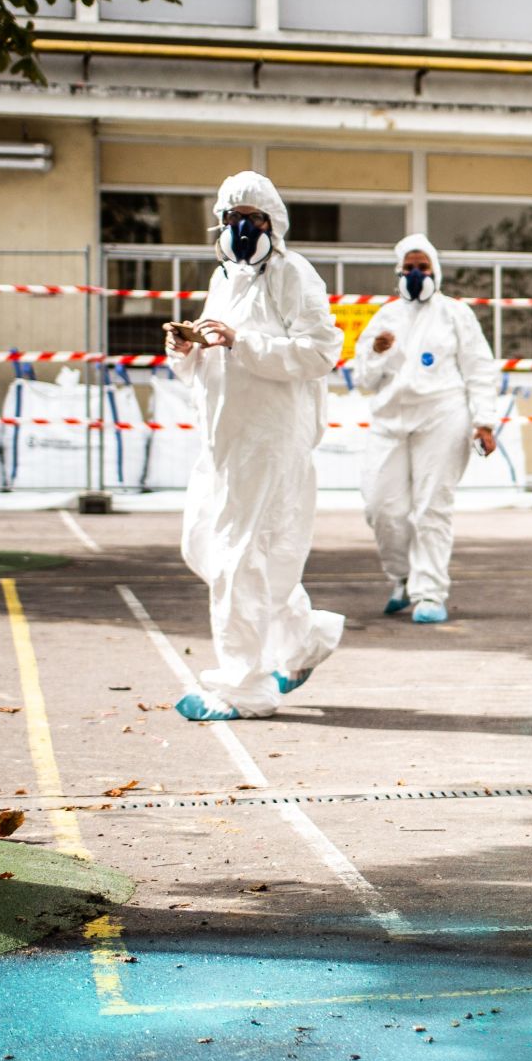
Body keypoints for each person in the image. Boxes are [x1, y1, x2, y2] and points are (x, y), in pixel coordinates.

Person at [167, 171, 346, 721]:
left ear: (274, 223)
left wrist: (243, 341)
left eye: (255, 218)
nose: (243, 228)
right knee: (205, 544)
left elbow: (320, 352)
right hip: (226, 440)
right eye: (232, 218)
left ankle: (243, 685)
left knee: (239, 559)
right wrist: (187, 349)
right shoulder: (225, 280)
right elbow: (213, 363)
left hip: (271, 439)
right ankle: (304, 638)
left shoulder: (294, 275)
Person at [353, 233, 500, 624]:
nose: (416, 274)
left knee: (431, 507)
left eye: (423, 268)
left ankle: (430, 592)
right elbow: (364, 379)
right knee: (381, 507)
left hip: (443, 415)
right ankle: (401, 577)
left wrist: (484, 422)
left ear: (436, 272)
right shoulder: (384, 317)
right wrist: (375, 353)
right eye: (409, 268)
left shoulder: (455, 314)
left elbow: (479, 369)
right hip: (390, 420)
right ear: (398, 273)